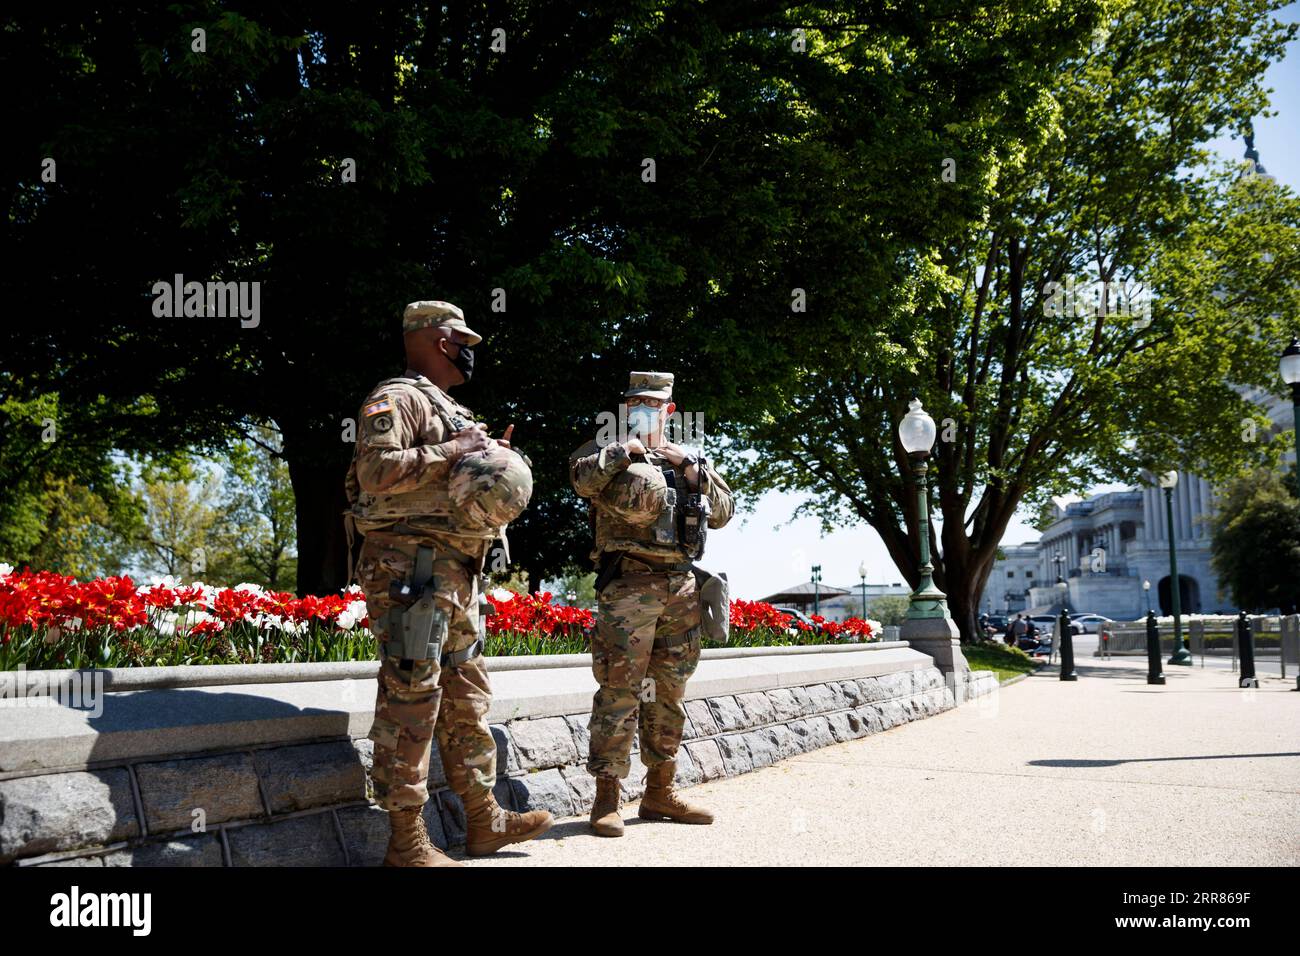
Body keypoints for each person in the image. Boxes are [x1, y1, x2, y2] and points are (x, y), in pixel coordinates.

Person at [345, 299, 553, 866]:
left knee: (466, 699)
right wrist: (456, 450)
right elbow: (376, 470)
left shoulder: (447, 406)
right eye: (463, 340)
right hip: (410, 570)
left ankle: (483, 822)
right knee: (411, 700)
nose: (468, 352)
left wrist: (491, 459)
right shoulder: (397, 397)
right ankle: (406, 844)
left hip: (455, 571)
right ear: (439, 340)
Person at [569, 371, 734, 837]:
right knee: (619, 690)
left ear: (670, 410)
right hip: (627, 587)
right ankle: (607, 798)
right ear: (624, 408)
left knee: (668, 693)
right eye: (634, 402)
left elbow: (723, 512)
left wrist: (692, 471)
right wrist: (623, 451)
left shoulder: (689, 458)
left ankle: (660, 792)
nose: (642, 409)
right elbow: (580, 481)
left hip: (681, 587)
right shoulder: (603, 451)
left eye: (652, 403)